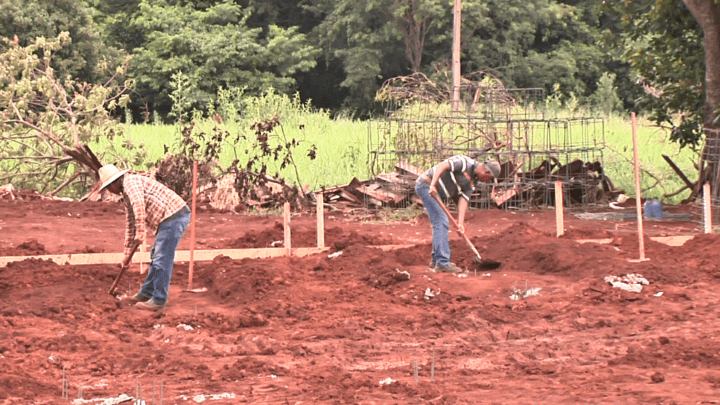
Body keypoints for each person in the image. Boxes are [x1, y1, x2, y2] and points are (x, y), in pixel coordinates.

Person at [97, 164, 190, 311]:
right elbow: (131, 223)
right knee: (157, 257)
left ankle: (158, 300)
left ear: (114, 183)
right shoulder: (126, 193)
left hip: (174, 215)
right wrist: (127, 255)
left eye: (108, 188)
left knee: (161, 258)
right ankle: (145, 294)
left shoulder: (130, 183)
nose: (110, 192)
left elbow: (139, 205)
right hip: (168, 218)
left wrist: (141, 231)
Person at [415, 155, 501, 273]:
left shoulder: (473, 182)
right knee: (441, 221)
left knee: (440, 222)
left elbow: (464, 199)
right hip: (426, 185)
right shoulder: (465, 162)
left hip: (437, 193)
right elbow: (442, 165)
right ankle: (442, 263)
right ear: (486, 172)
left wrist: (460, 223)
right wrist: (433, 184)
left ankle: (436, 260)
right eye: (489, 178)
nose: (487, 181)